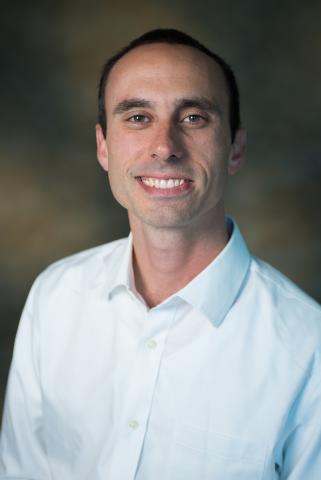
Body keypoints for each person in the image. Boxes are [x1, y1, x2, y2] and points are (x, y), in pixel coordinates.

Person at [0, 28, 320, 480]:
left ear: (235, 148)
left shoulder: (309, 349)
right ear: (103, 147)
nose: (165, 146)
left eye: (193, 118)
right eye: (136, 117)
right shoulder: (54, 297)